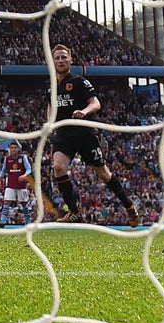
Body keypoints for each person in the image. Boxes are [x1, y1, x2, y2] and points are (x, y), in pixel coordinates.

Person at [46, 43, 141, 225]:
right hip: (64, 134)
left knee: (104, 174)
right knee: (58, 166)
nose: (60, 60)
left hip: (84, 133)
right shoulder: (50, 86)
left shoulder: (79, 81)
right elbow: (51, 106)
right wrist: (50, 123)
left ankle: (129, 206)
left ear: (71, 60)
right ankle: (74, 211)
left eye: (64, 57)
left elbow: (96, 103)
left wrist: (84, 111)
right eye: (57, 58)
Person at [0, 141, 33, 227]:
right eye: (11, 148)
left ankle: (27, 222)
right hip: (11, 184)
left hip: (21, 185)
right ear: (9, 149)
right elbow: (3, 170)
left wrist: (25, 175)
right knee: (7, 201)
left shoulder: (23, 158)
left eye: (15, 148)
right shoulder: (7, 159)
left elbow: (29, 169)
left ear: (18, 149)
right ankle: (2, 221)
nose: (13, 149)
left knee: (24, 203)